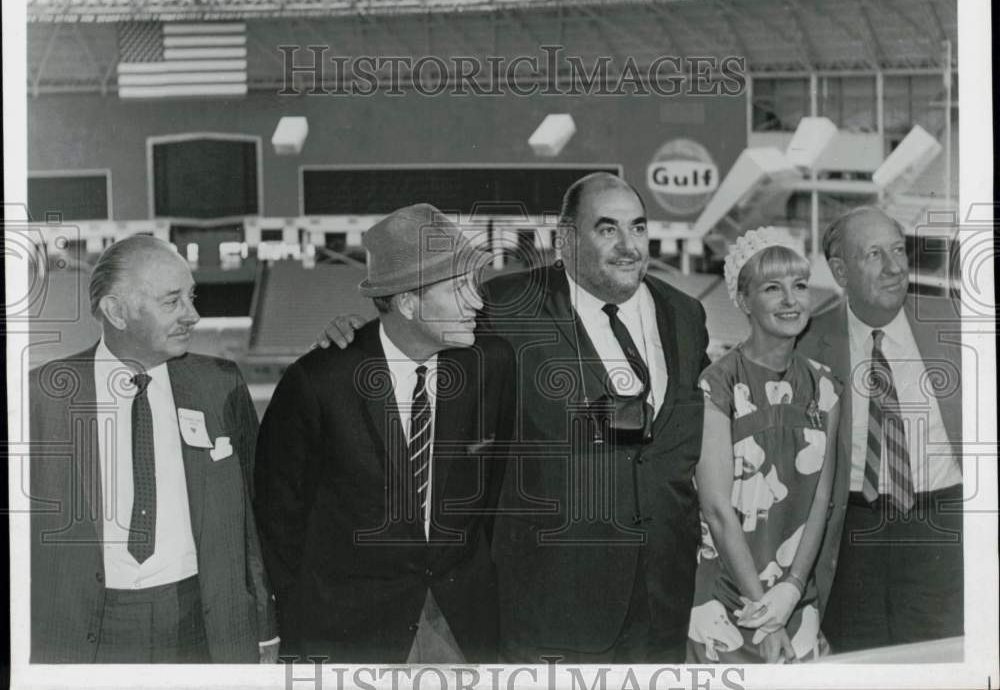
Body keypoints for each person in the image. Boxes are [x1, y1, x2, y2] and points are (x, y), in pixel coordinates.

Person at [320, 174, 710, 662]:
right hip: (551, 609)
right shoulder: (504, 305)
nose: (628, 245)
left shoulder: (685, 314)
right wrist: (358, 339)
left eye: (638, 227)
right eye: (607, 229)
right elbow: (419, 337)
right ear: (566, 240)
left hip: (662, 604)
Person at [254, 203, 514, 663]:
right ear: (408, 302)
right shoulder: (318, 382)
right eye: (457, 289)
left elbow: (497, 493)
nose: (476, 300)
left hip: (462, 624)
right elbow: (279, 523)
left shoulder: (489, 364)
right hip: (351, 633)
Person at [28, 235, 278, 663]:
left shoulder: (220, 385)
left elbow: (252, 521)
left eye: (191, 297)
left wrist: (265, 626)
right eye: (172, 301)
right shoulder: (42, 394)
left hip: (203, 622)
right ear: (116, 311)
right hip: (86, 628)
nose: (193, 315)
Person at [798, 206, 964, 651]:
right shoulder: (809, 342)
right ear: (840, 271)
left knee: (942, 655)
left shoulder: (954, 321)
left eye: (897, 250)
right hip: (854, 531)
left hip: (942, 526)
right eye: (874, 255)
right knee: (859, 656)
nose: (894, 267)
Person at [686, 228, 840, 664]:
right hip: (729, 596)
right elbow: (716, 509)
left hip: (795, 595)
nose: (791, 300)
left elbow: (821, 500)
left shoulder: (826, 385)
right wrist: (765, 613)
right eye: (773, 288)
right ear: (743, 299)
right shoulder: (716, 384)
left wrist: (790, 591)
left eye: (799, 285)